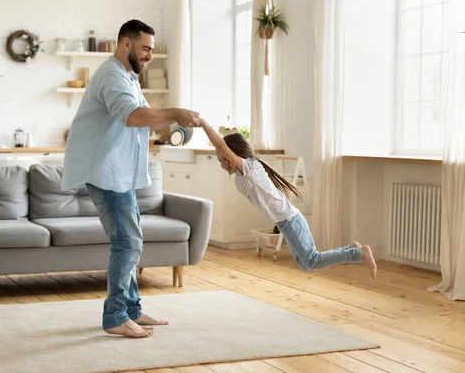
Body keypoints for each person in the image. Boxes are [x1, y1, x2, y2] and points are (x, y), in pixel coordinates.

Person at [62, 19, 202, 338]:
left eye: (152, 49)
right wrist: (175, 111)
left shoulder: (128, 76)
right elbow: (131, 116)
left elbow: (148, 117)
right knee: (128, 242)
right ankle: (115, 317)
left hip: (120, 172)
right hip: (106, 172)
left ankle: (132, 310)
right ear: (126, 44)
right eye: (146, 48)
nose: (149, 55)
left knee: (130, 241)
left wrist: (177, 121)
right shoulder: (112, 75)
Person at [199, 119, 377, 280]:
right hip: (286, 222)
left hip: (291, 220)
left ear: (234, 154)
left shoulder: (249, 167)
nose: (223, 164)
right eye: (220, 161)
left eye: (225, 159)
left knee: (312, 261)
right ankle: (351, 250)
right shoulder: (241, 175)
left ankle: (358, 253)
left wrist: (202, 123)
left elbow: (221, 145)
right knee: (305, 264)